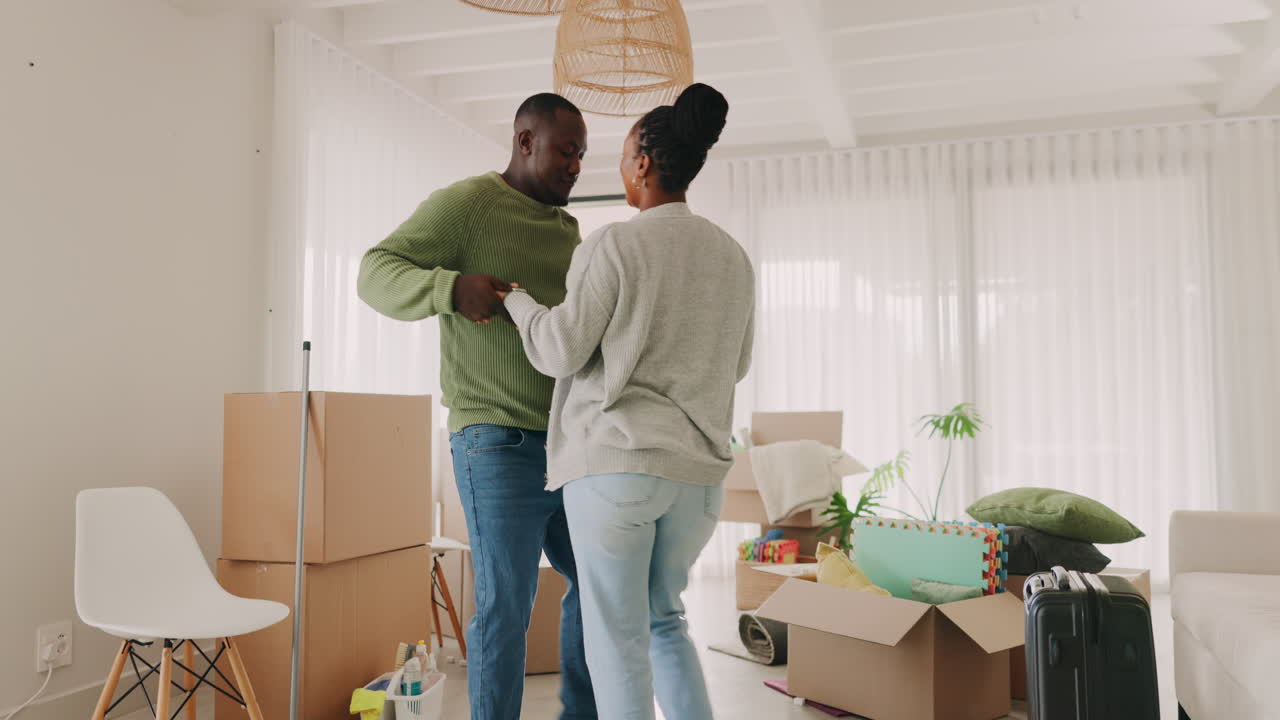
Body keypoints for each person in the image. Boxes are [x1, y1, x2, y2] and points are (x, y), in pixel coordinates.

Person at [499, 83, 755, 720]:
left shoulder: (613, 244)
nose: (613, 166)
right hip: (697, 481)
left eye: (620, 154)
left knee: (615, 642)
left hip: (618, 469)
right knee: (666, 622)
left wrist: (516, 301)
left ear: (642, 163)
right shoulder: (732, 256)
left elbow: (559, 350)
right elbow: (739, 362)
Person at [356, 93, 596, 720]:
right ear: (524, 141)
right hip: (495, 442)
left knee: (600, 586)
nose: (576, 166)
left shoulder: (571, 232)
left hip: (572, 444)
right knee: (506, 605)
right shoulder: (467, 205)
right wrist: (447, 288)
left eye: (582, 156)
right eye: (565, 151)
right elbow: (374, 269)